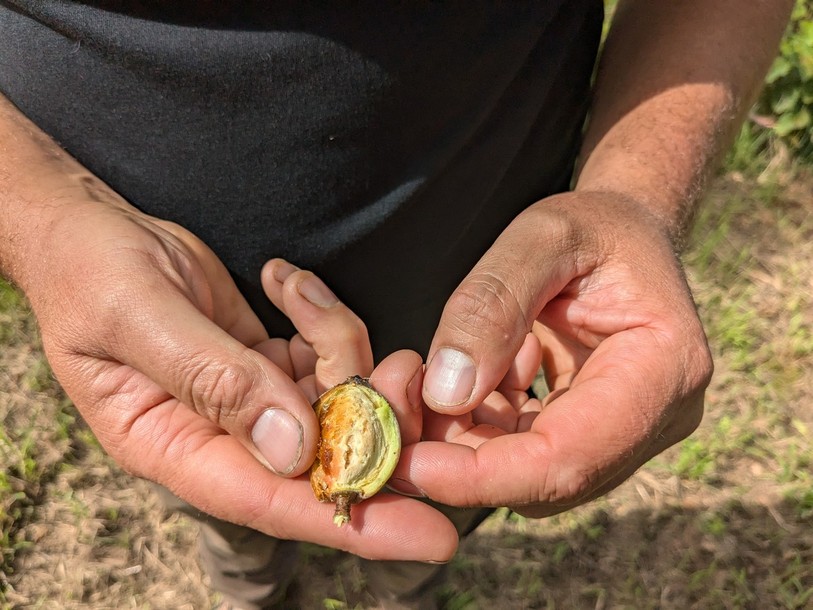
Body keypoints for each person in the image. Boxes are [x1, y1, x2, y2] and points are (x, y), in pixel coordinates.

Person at [0, 1, 792, 608]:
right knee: (223, 494)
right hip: (150, 305)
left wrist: (632, 198)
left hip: (495, 285)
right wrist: (36, 218)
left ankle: (409, 584)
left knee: (444, 494)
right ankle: (249, 576)